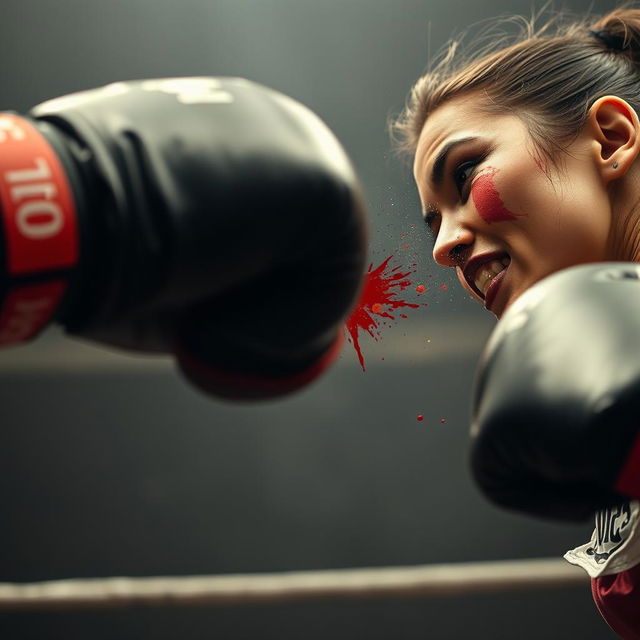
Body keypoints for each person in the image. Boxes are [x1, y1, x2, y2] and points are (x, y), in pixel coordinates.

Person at [391, 5, 640, 638]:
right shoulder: (611, 372)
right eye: (434, 222)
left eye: (465, 172)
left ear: (610, 139)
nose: (444, 246)